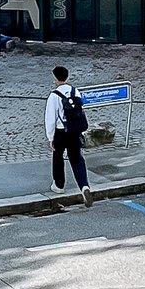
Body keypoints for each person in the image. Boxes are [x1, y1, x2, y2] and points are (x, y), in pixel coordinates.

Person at [45, 64, 92, 206]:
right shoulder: (75, 91)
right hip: (74, 131)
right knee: (77, 159)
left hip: (61, 132)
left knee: (57, 157)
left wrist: (50, 138)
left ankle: (59, 185)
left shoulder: (54, 96)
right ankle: (84, 186)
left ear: (55, 78)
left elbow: (50, 119)